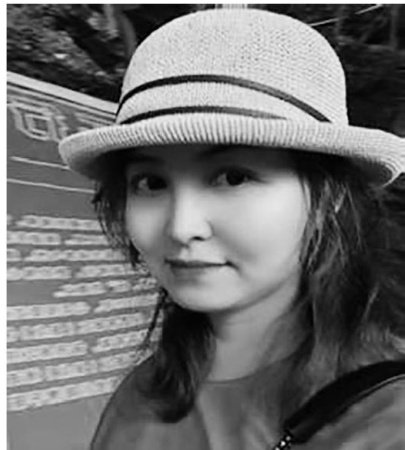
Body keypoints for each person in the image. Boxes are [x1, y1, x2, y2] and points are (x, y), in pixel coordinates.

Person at [59, 7, 405, 450]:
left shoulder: (386, 418)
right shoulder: (144, 391)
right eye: (151, 183)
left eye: (233, 176)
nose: (181, 227)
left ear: (331, 196)